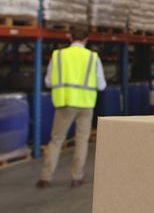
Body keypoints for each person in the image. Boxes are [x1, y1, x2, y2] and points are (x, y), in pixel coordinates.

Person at [36, 28, 106, 188]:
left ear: (70, 37)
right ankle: (77, 177)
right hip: (86, 104)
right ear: (87, 38)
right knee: (81, 140)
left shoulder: (58, 56)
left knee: (56, 140)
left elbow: (48, 81)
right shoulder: (92, 57)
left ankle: (45, 177)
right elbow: (101, 85)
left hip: (65, 103)